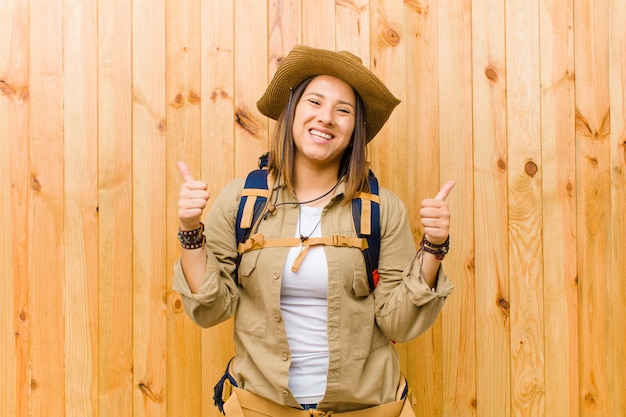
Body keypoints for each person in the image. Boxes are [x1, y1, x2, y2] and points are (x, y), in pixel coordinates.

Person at [173, 45, 455, 416]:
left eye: (343, 110)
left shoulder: (383, 209)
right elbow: (210, 310)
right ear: (292, 112)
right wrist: (190, 230)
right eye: (315, 103)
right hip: (260, 407)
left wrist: (434, 247)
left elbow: (398, 323)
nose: (326, 118)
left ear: (355, 129)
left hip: (366, 407)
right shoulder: (241, 201)